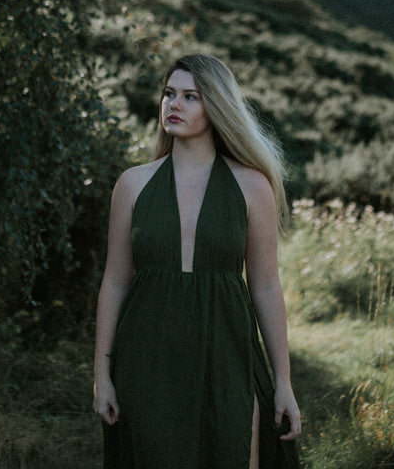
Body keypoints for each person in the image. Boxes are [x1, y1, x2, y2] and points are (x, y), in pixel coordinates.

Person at [94, 53, 302, 468]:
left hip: (227, 351)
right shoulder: (133, 184)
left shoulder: (251, 185)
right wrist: (101, 375)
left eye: (191, 96)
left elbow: (265, 286)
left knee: (233, 450)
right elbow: (115, 281)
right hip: (146, 355)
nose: (174, 104)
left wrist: (283, 382)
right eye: (169, 94)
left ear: (217, 106)